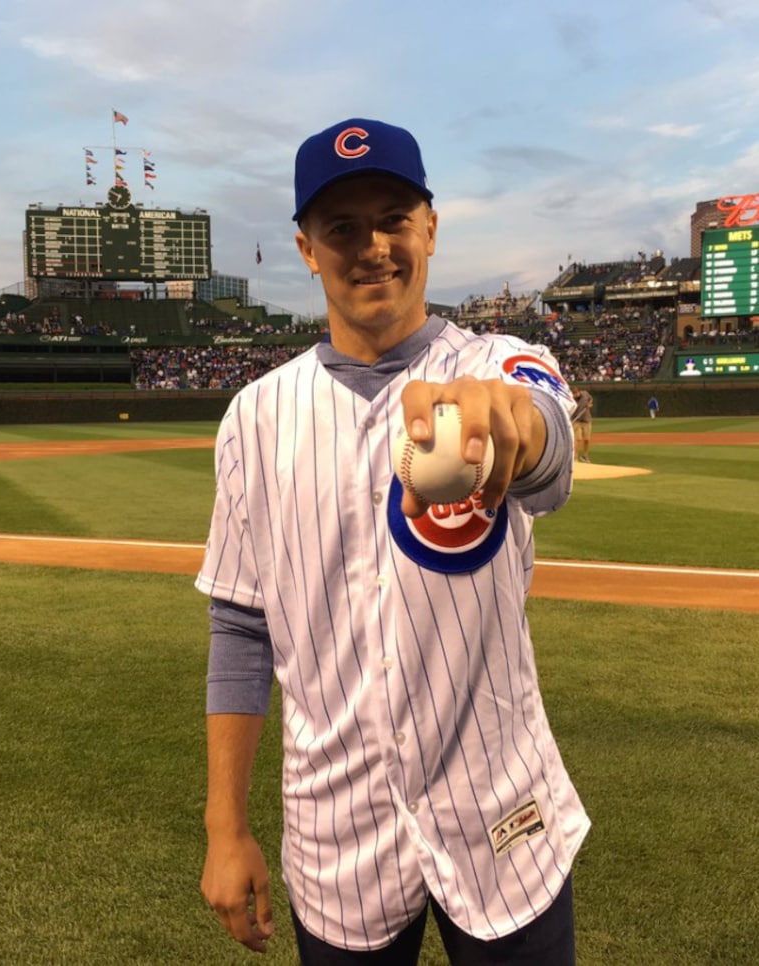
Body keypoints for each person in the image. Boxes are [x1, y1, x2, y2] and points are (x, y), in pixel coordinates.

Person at [197, 117, 589, 965]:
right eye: (342, 227)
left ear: (431, 231)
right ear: (307, 248)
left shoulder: (502, 360)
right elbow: (238, 627)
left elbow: (548, 452)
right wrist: (224, 828)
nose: (371, 246)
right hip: (338, 833)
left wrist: (517, 430)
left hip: (502, 812)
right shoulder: (255, 419)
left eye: (393, 219)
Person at [570, 387, 593, 462]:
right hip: (577, 421)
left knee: (587, 439)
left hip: (586, 420)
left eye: (575, 394)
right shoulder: (571, 400)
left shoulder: (585, 394)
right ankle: (575, 457)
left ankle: (585, 456)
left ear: (579, 392)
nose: (574, 396)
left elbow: (590, 398)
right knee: (578, 439)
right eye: (573, 394)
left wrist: (589, 404)